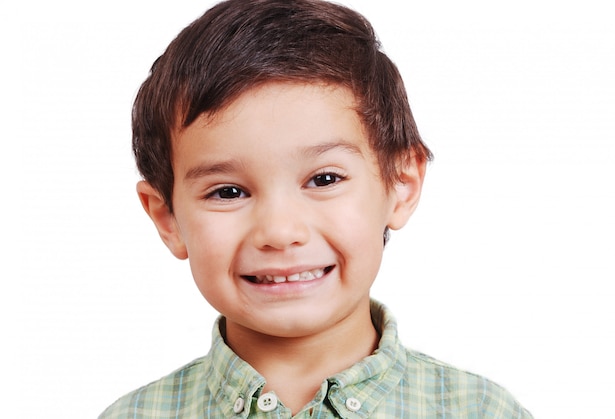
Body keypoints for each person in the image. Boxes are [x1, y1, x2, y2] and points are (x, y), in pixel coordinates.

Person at [100, 0, 532, 417]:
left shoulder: (479, 411)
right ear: (167, 217)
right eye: (228, 192)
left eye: (324, 180)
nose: (280, 231)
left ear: (401, 184)